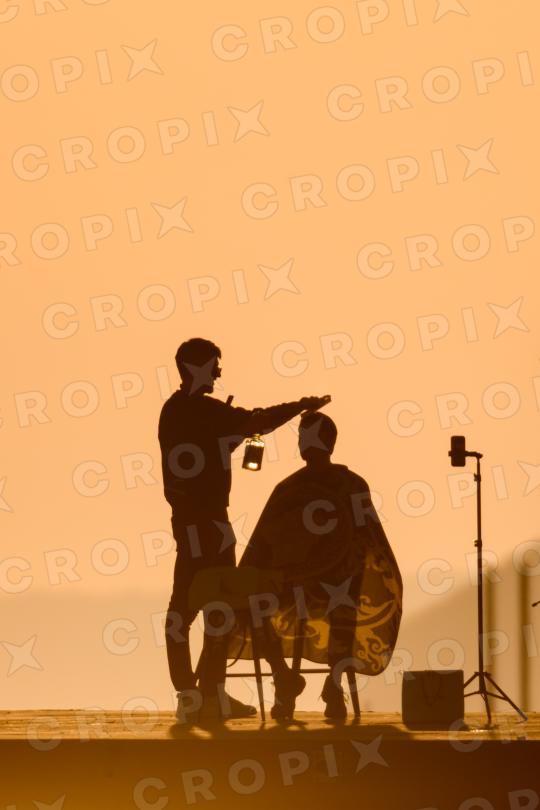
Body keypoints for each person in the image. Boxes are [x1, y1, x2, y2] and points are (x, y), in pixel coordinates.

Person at [158, 337, 330, 721]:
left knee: (194, 611)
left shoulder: (174, 411)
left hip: (189, 524)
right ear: (197, 366)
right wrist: (300, 406)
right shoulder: (203, 411)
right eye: (214, 365)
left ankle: (200, 694)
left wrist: (232, 438)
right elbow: (258, 421)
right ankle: (206, 693)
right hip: (210, 526)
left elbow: (207, 449)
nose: (219, 372)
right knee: (208, 609)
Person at [233, 410, 403, 720]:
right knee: (253, 602)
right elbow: (266, 541)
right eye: (301, 436)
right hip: (303, 586)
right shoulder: (298, 487)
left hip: (325, 585)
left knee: (341, 593)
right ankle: (288, 676)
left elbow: (366, 537)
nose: (302, 442)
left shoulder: (340, 486)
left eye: (305, 436)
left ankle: (320, 684)